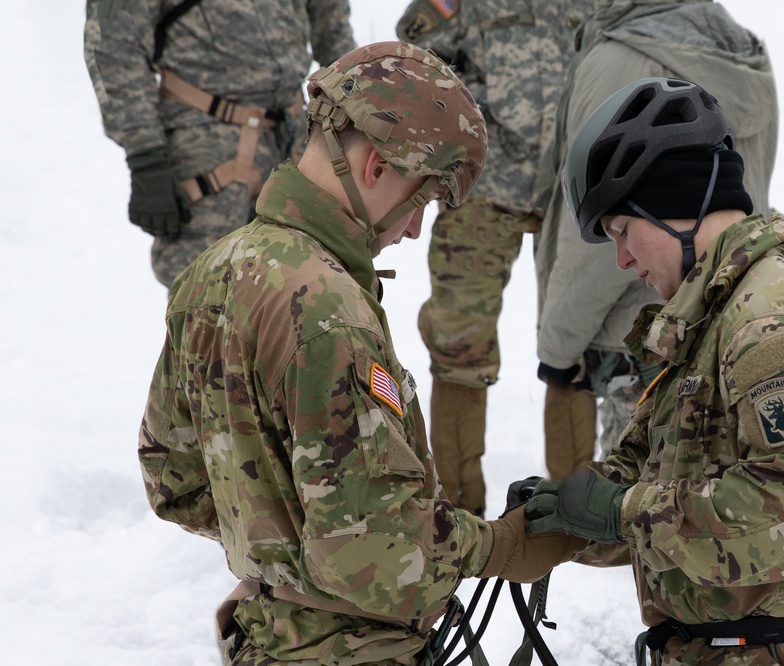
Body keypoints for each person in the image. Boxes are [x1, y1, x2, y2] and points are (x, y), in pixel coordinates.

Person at [137, 42, 585, 666]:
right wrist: (501, 547)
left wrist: (280, 561)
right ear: (376, 166)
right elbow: (375, 553)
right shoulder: (326, 310)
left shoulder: (215, 269)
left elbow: (174, 479)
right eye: (422, 201)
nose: (413, 230)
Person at [525, 78, 784, 665]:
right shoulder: (706, 323)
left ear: (675, 204)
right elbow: (654, 484)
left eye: (621, 231)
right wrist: (568, 512)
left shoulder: (772, 316)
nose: (622, 260)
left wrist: (623, 511)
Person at [533, 0, 780, 478]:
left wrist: (558, 347)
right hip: (725, 307)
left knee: (651, 511)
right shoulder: (741, 49)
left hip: (643, 338)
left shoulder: (624, 59)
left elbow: (610, 229)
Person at [396, 0, 599, 514]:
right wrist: (478, 105)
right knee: (459, 342)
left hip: (568, 192)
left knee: (572, 339)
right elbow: (412, 65)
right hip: (483, 190)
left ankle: (577, 506)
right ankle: (456, 508)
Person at [84, 0, 356, 287]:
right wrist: (146, 156)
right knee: (208, 293)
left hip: (296, 139)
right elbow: (114, 47)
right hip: (207, 146)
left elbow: (333, 29)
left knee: (311, 287)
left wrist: (355, 116)